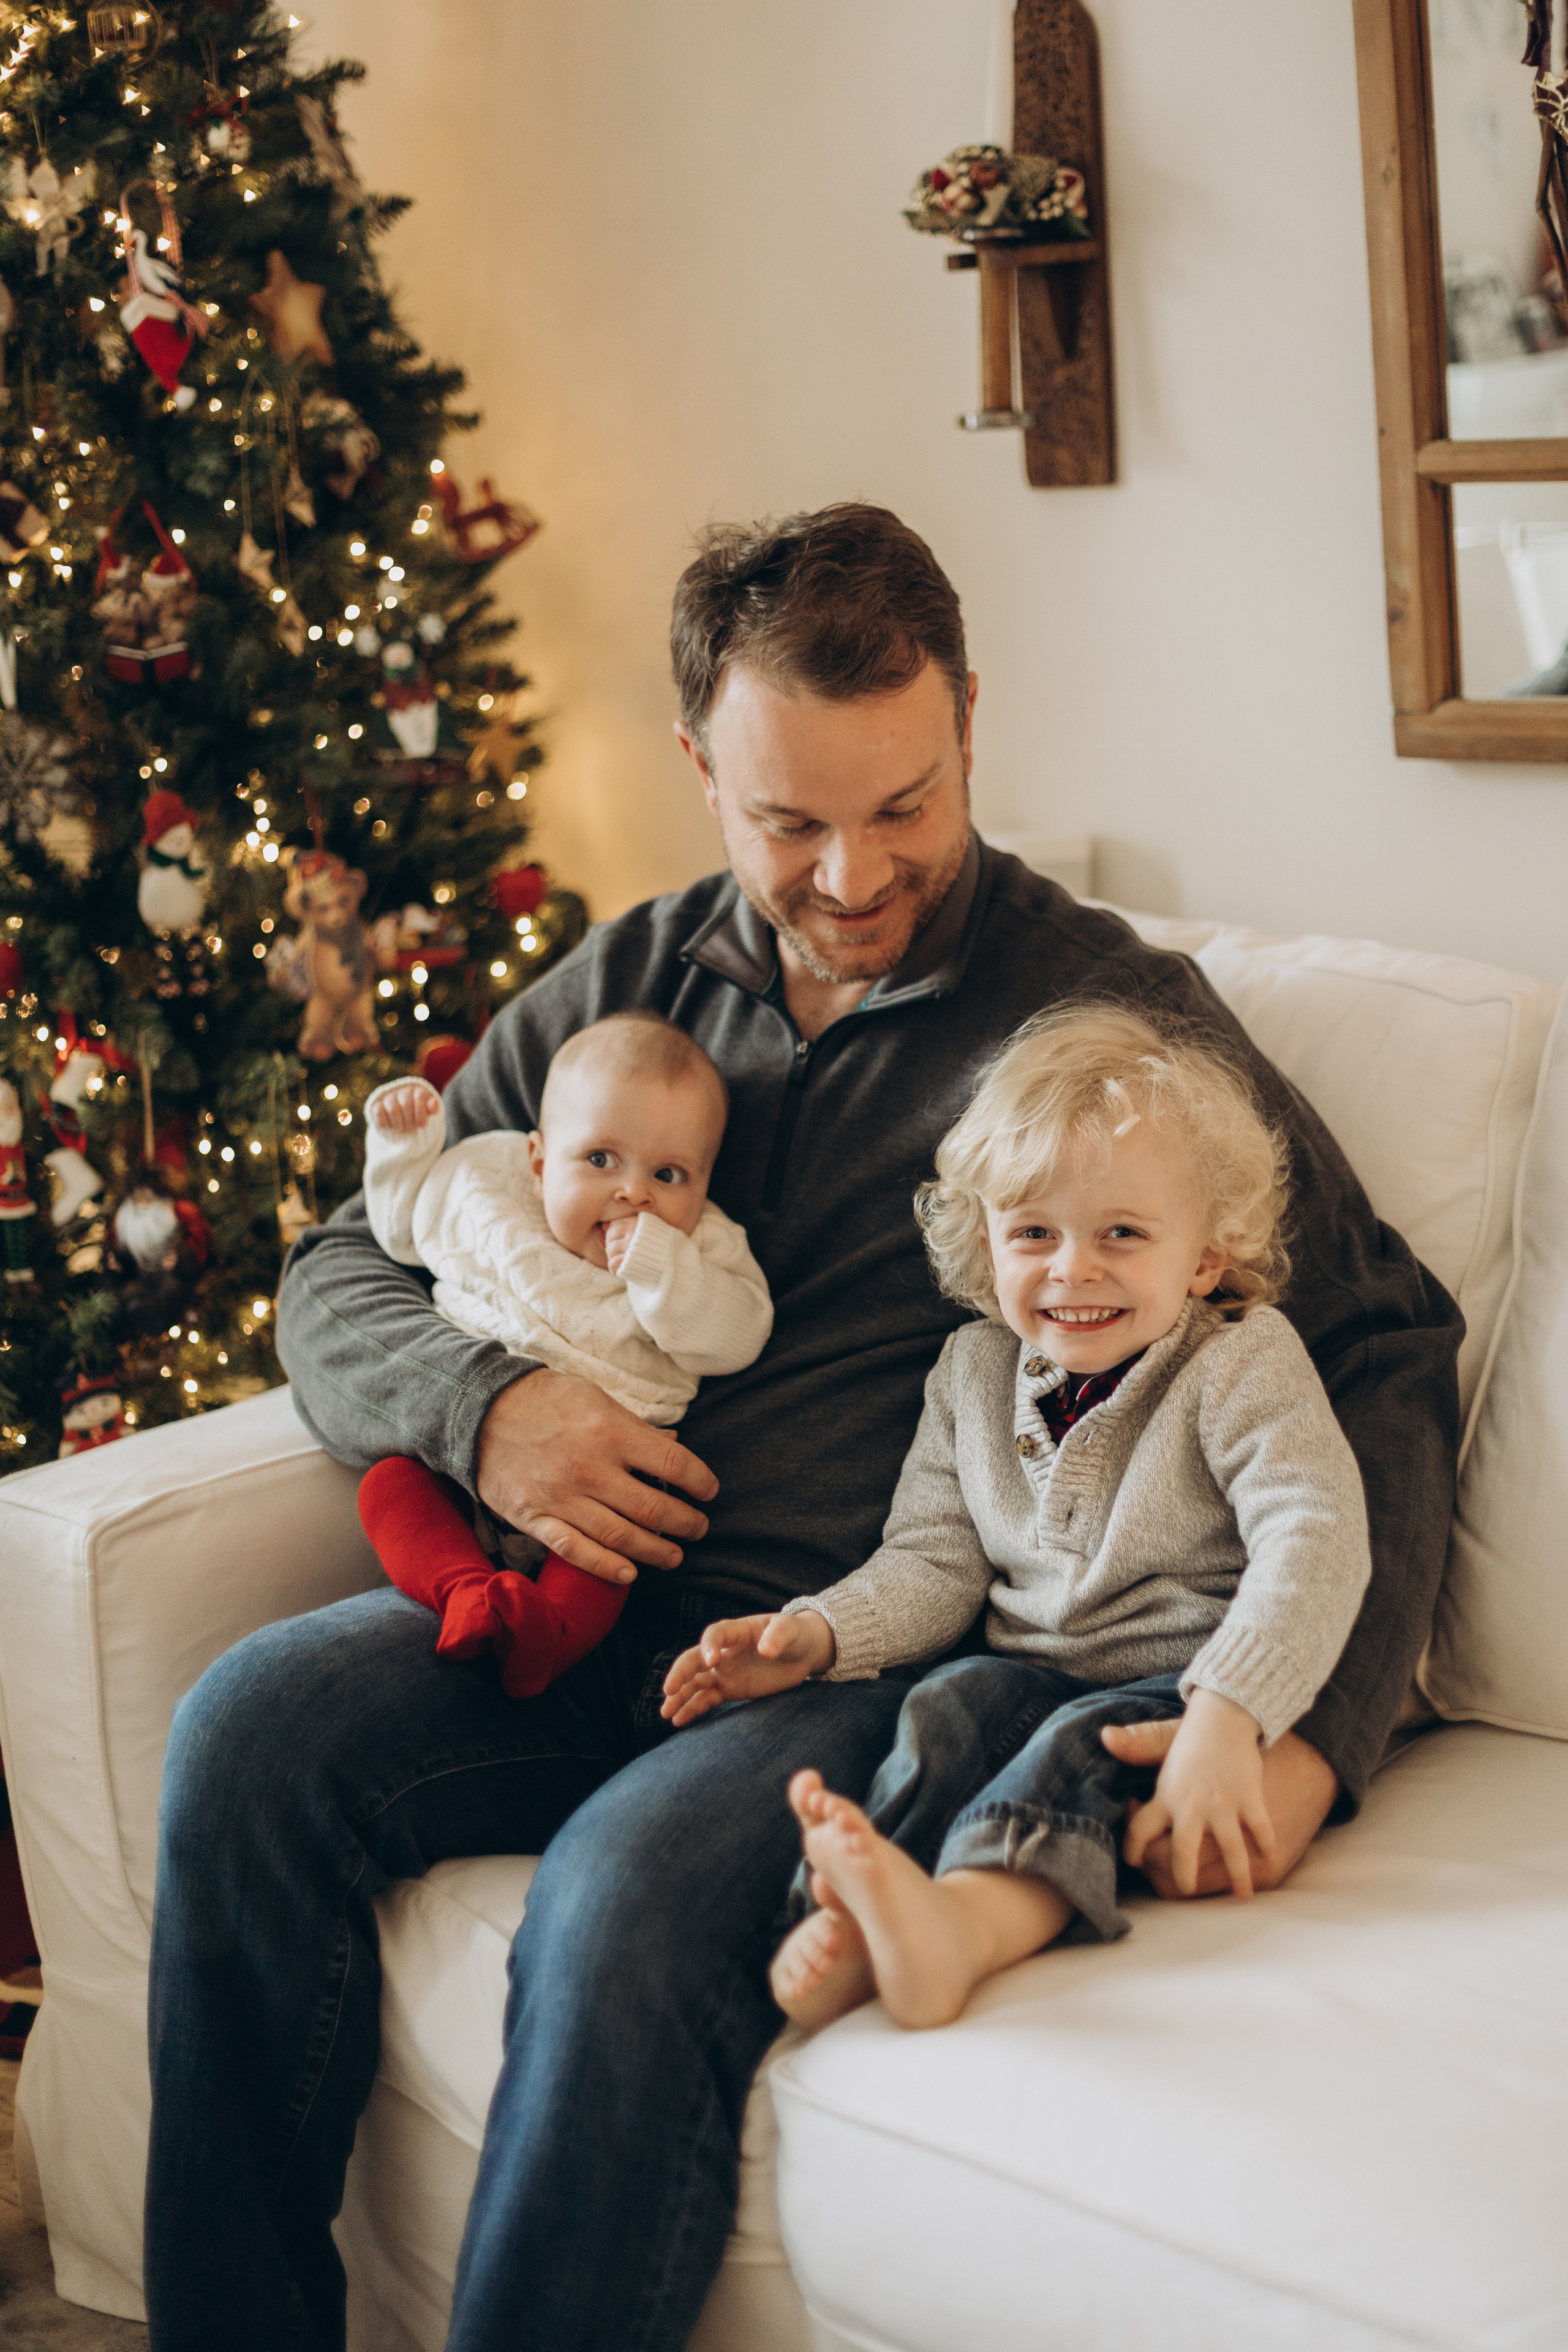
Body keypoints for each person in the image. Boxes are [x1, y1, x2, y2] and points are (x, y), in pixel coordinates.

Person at [143, 503, 1461, 2352]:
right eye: (789, 821)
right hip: (552, 1610)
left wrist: (1302, 1731)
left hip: (842, 1653)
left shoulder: (1105, 1020)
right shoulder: (619, 997)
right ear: (698, 765)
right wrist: (490, 1406)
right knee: (246, 1729)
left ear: (969, 725)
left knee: (611, 1902)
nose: (852, 871)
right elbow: (338, 1276)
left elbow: (1386, 1344)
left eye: (902, 805)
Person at [661, 1004, 1372, 2033]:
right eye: (1033, 1233)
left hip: (1180, 1687)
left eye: (1122, 1234)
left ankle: (961, 1930)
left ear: (1205, 1257)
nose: (1073, 1269)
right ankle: (860, 1912)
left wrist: (1229, 1713)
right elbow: (932, 1558)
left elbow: (1316, 1535)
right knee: (944, 1715)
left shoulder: (1239, 1361)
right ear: (985, 1242)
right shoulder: (972, 1372)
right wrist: (816, 1635)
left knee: (1083, 1747)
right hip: (1024, 1673)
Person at [356, 1011, 772, 1697]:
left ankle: (547, 1637)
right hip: (459, 1466)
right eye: (600, 1160)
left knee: (611, 1547)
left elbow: (737, 1336)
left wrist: (664, 1272)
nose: (632, 1192)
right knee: (390, 1488)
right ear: (540, 1161)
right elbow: (403, 1232)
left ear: (704, 1187)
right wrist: (403, 1150)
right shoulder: (490, 1191)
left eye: (668, 1174)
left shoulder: (705, 1248)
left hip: (608, 1480)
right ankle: (465, 1592)